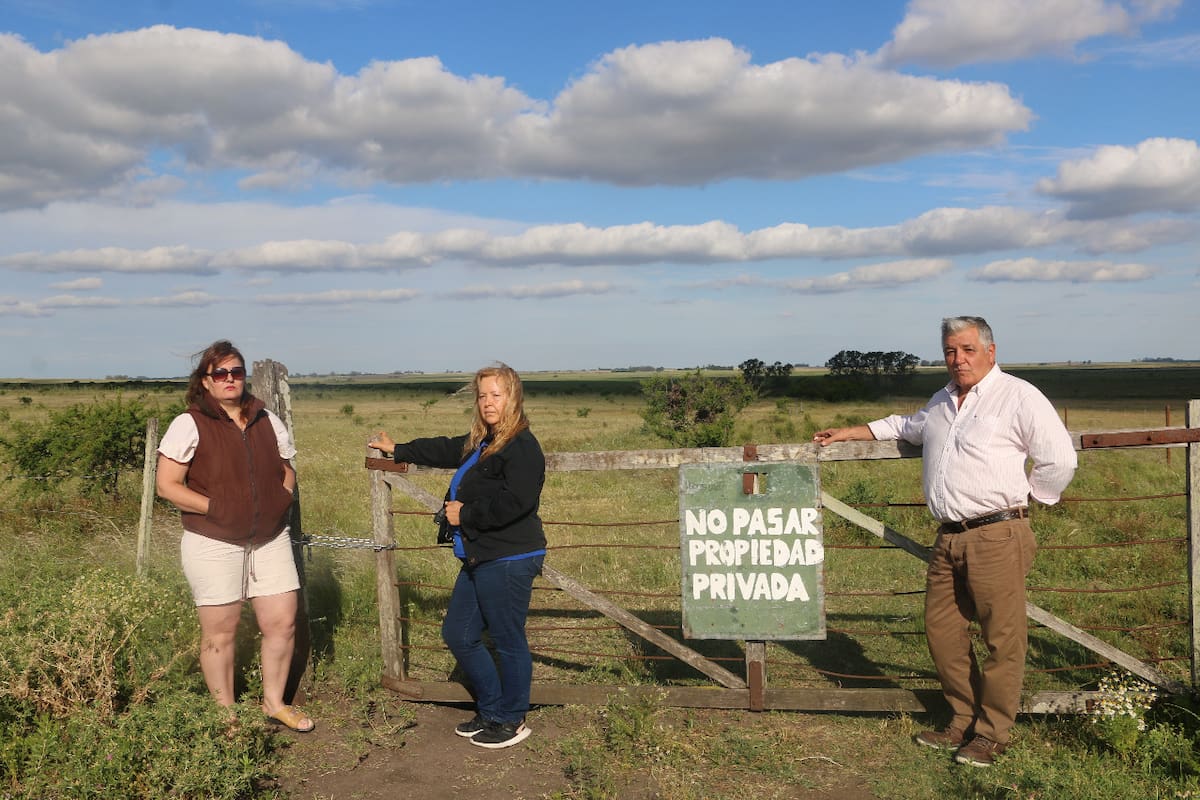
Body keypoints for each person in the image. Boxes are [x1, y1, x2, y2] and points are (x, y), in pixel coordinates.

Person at [813, 316, 1076, 767]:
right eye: (951, 351)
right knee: (942, 633)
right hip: (949, 537)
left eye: (968, 349)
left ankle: (991, 735)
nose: (958, 359)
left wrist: (1030, 500)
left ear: (991, 351)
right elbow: (905, 425)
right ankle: (961, 720)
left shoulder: (1018, 396)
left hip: (997, 533)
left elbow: (1059, 458)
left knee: (1002, 638)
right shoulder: (941, 401)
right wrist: (851, 432)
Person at [369, 363, 546, 749]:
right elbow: (446, 448)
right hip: (481, 556)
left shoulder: (521, 446)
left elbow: (517, 502)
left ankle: (513, 719)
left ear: (513, 397)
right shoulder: (485, 441)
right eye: (482, 395)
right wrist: (398, 449)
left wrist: (465, 514)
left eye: (496, 394)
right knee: (459, 633)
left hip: (509, 557)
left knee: (508, 639)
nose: (488, 402)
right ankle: (492, 709)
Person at [156, 340, 314, 733]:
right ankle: (226, 717)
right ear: (205, 381)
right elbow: (167, 485)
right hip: (213, 541)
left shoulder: (266, 419)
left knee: (282, 623)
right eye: (221, 373)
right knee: (221, 632)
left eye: (237, 372)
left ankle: (274, 703)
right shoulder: (189, 424)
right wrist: (218, 508)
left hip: (269, 538)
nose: (230, 379)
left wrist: (282, 498)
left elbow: (286, 469)